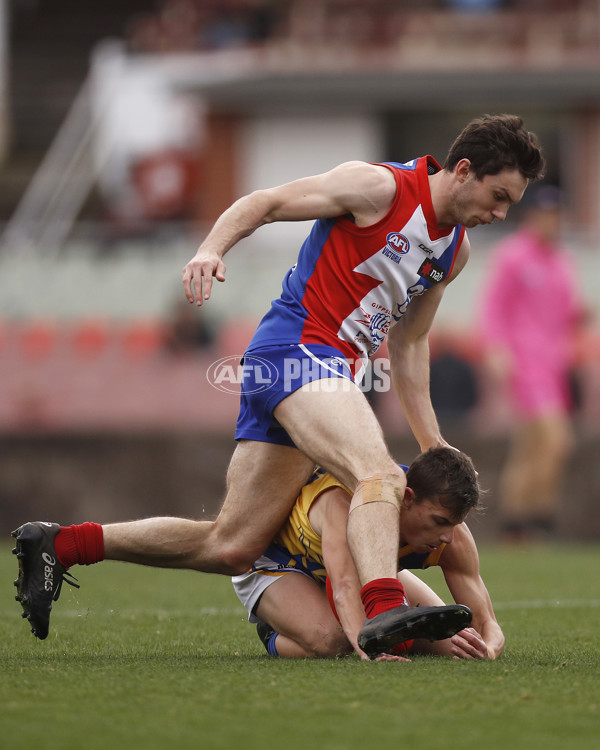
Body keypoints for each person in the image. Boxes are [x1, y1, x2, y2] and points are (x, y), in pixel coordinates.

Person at [12, 114, 544, 655]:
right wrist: (211, 249)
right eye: (498, 196)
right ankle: (386, 612)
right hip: (297, 352)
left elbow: (408, 347)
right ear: (463, 170)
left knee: (232, 545)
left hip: (322, 375)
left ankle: (63, 543)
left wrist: (434, 445)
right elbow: (264, 202)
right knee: (379, 474)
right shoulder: (380, 188)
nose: (500, 214)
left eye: (510, 205)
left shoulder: (453, 252)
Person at [233, 447, 502, 661]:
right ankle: (272, 633)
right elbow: (343, 586)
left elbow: (486, 622)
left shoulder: (452, 532)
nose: (447, 536)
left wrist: (487, 649)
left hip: (348, 568)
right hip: (277, 562)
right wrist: (370, 650)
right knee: (334, 641)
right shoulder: (346, 505)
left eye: (455, 524)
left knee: (456, 646)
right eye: (439, 522)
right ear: (407, 498)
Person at [479, 184, 590, 542]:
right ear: (532, 217)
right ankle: (537, 516)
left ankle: (516, 524)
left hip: (554, 365)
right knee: (555, 437)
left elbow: (566, 312)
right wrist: (495, 350)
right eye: (545, 215)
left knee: (530, 445)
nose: (551, 222)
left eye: (556, 215)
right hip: (524, 362)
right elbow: (494, 307)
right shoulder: (513, 256)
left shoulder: (561, 261)